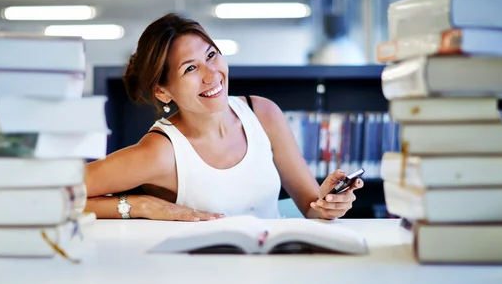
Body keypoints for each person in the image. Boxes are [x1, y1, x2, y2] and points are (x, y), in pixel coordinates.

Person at [85, 13, 363, 221]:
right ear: (162, 91)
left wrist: (328, 205)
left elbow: (311, 209)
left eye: (212, 55)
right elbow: (57, 194)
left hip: (274, 274)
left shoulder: (262, 113)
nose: (211, 75)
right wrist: (144, 205)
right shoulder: (161, 152)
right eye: (190, 68)